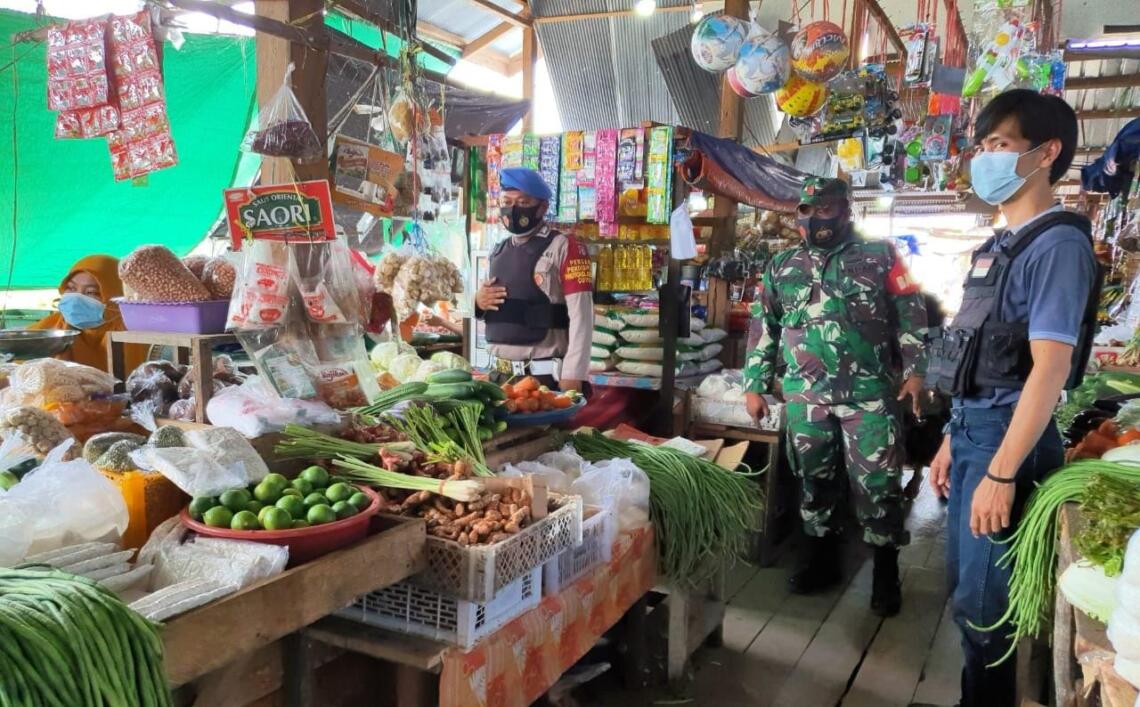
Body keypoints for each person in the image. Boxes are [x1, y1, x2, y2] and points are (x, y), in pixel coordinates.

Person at [920, 90, 1099, 707]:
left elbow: (1049, 370)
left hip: (1007, 443)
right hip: (974, 431)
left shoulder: (1059, 247)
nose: (985, 157)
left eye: (1001, 145)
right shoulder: (999, 247)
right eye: (983, 145)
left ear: (1047, 153)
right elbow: (979, 356)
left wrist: (1002, 472)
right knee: (966, 594)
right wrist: (950, 438)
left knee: (987, 606)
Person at [743, 176, 928, 617]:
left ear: (845, 211)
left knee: (878, 486)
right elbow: (763, 325)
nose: (816, 219)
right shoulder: (781, 265)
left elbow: (911, 311)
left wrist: (918, 370)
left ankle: (885, 573)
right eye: (807, 211)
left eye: (825, 210)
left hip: (869, 396)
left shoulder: (881, 256)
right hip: (807, 399)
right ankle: (821, 562)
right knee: (814, 482)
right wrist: (754, 383)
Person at [474, 168, 593, 393]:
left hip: (544, 379)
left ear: (543, 207)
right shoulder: (497, 251)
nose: (513, 208)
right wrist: (478, 303)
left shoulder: (565, 247)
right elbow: (491, 308)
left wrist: (573, 373)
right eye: (506, 201)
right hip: (499, 377)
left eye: (523, 201)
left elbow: (582, 316)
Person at [26, 254, 148, 374]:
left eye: (91, 292)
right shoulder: (47, 330)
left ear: (116, 297)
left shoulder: (134, 337)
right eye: (71, 288)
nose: (76, 299)